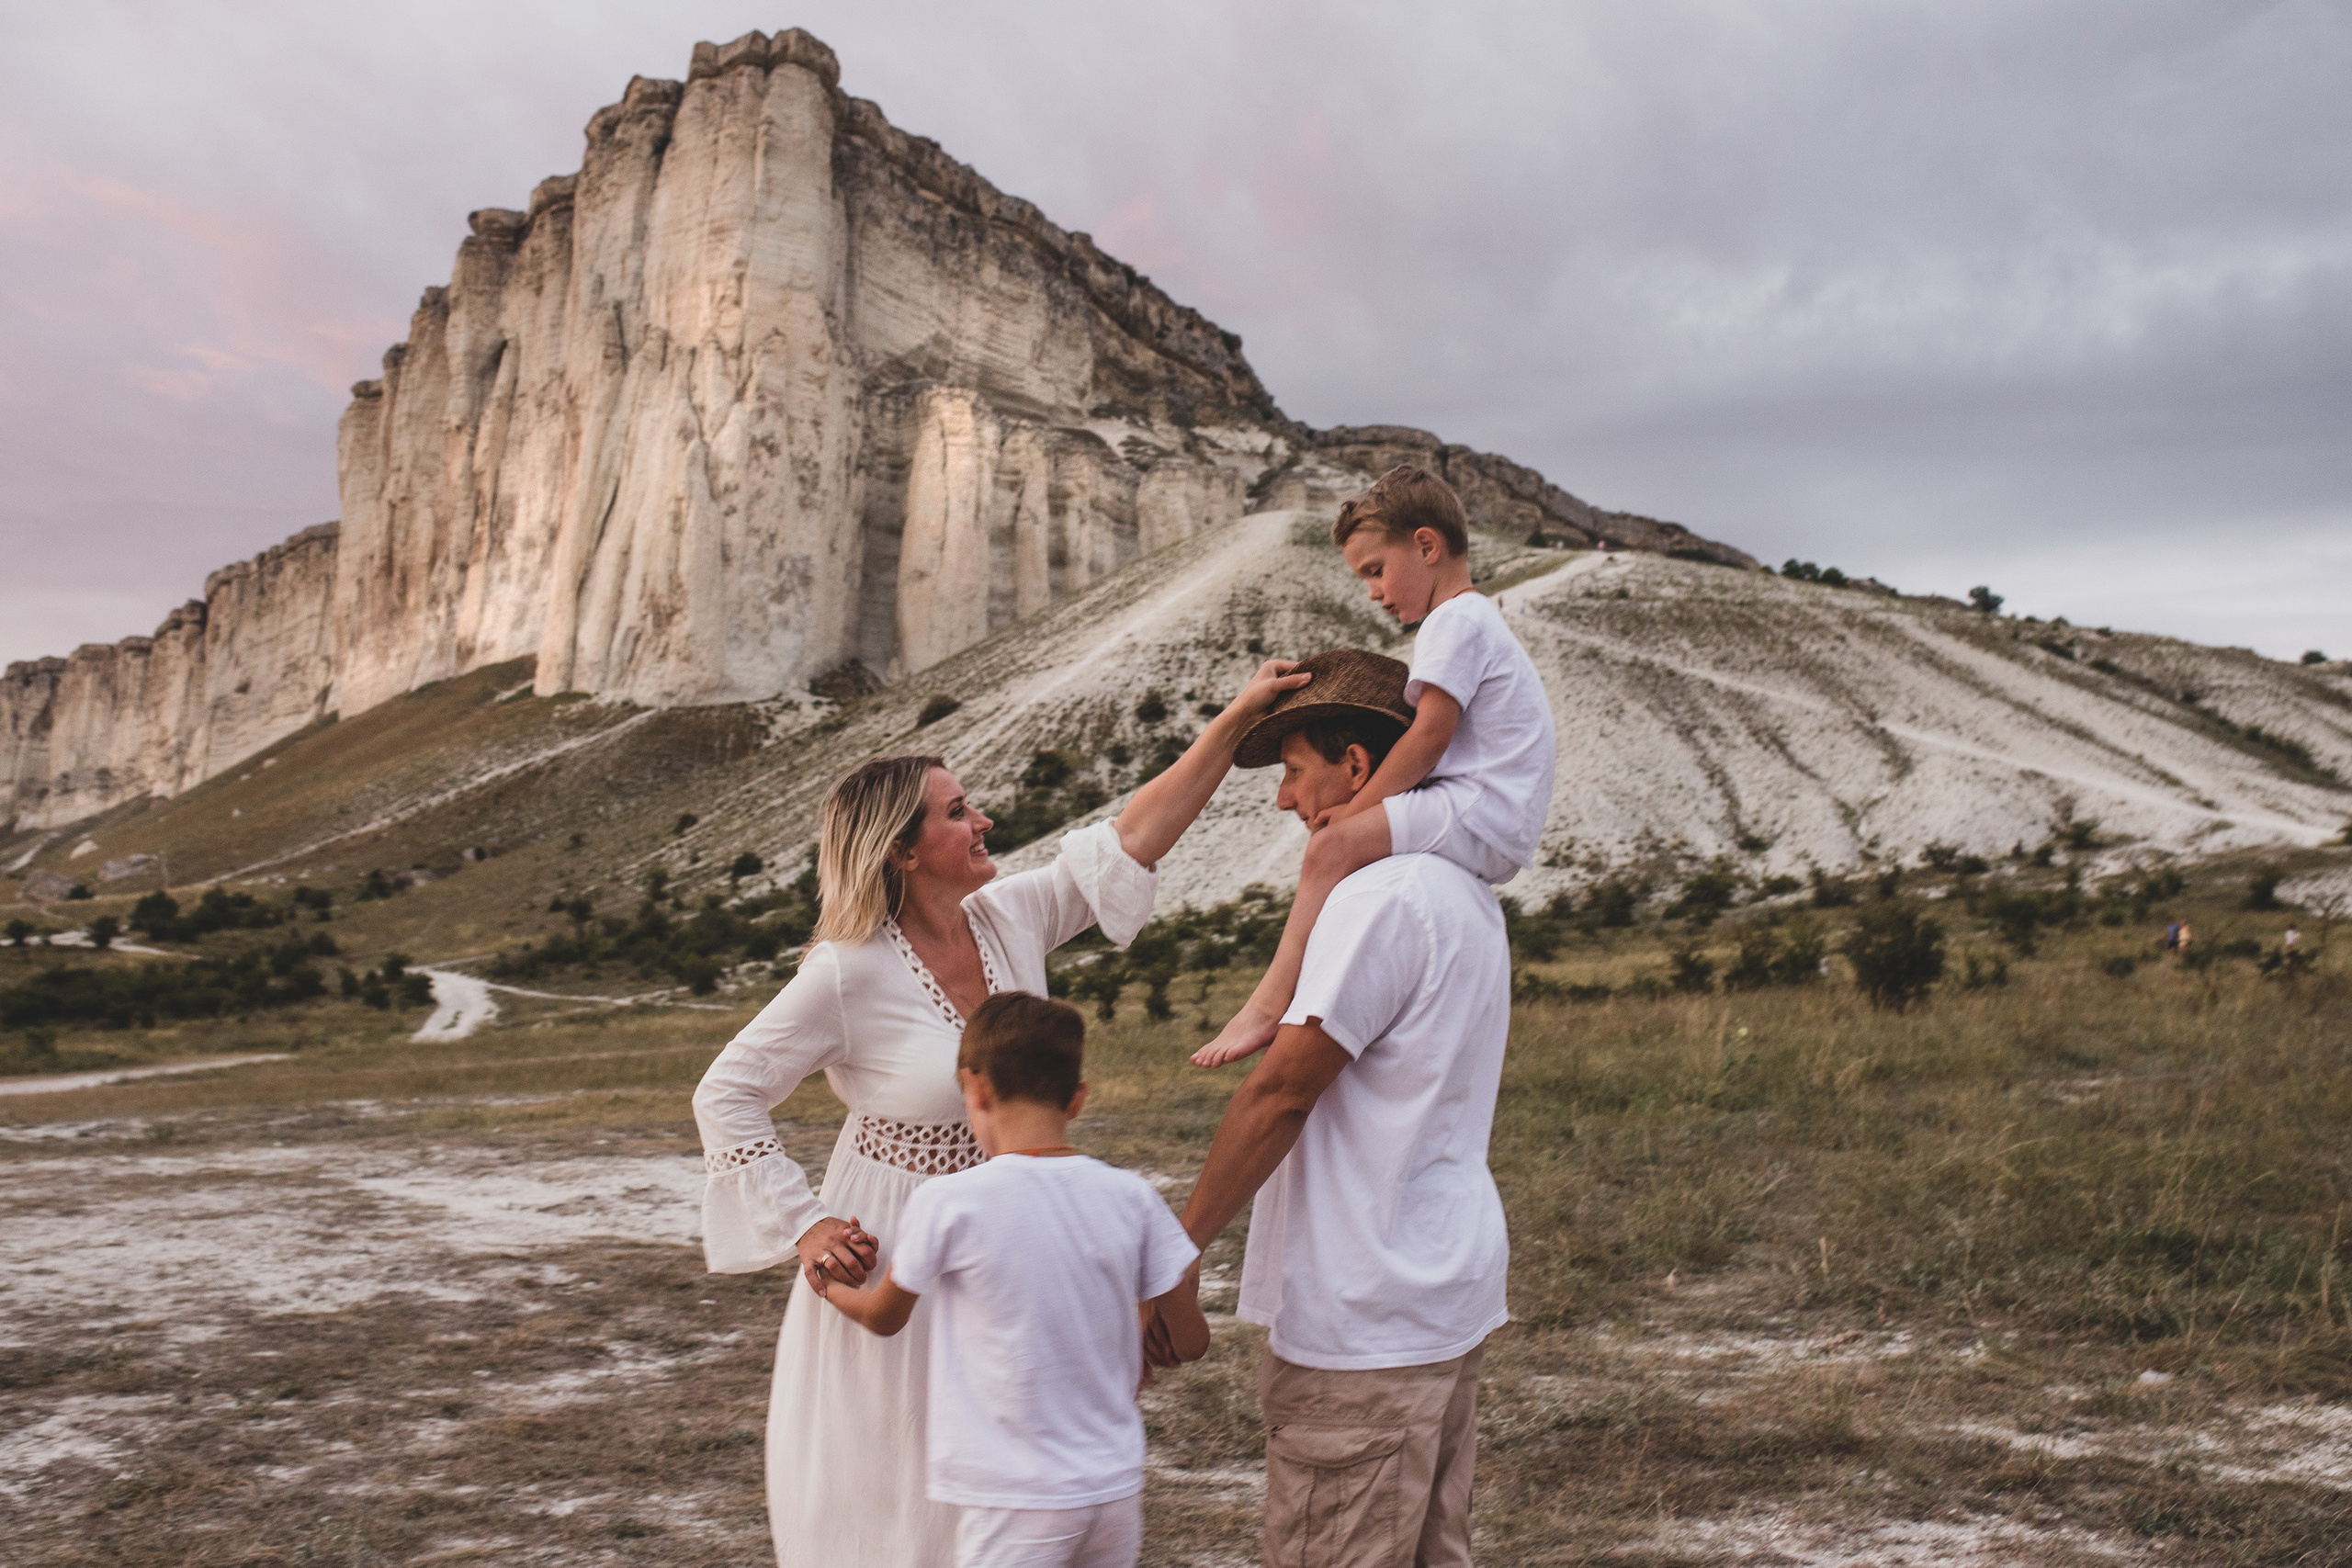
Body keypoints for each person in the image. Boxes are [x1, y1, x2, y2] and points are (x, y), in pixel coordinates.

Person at [692, 658, 1307, 1568]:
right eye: (955, 812)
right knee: (898, 1478)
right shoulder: (843, 970)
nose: (982, 822)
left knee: (1021, 1482)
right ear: (901, 851)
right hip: (897, 1235)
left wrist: (1238, 717)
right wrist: (806, 1224)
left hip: (1022, 1235)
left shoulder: (1009, 915)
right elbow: (726, 1093)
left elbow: (1133, 838)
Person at [1150, 650, 1515, 1568]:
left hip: (1363, 1321)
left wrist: (1179, 1251)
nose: (1284, 801)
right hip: (1440, 1296)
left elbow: (1280, 1091)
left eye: (1293, 771)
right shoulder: (1463, 894)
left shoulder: (1381, 897)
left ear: (1357, 768)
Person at [821, 992, 1208, 1568]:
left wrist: (830, 1286)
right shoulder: (1133, 1197)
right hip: (1113, 1489)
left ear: (973, 1089)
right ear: (1077, 1100)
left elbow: (883, 1316)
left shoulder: (950, 1202)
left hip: (1014, 1497)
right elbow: (1191, 1340)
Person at [1194, 465, 1555, 1066]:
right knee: (1339, 848)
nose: (1373, 592)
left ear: (1426, 545)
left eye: (1375, 570)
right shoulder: (1475, 620)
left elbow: (1429, 737)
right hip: (1493, 814)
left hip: (1479, 806)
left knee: (1326, 850)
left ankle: (1266, 1005)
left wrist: (1355, 813)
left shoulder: (1454, 620)